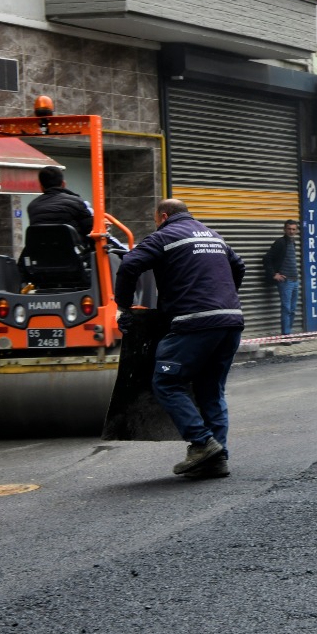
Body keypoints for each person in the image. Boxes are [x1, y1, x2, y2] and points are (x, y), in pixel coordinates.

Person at [114, 198, 246, 481]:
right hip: (231, 321)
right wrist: (223, 296)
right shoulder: (213, 235)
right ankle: (217, 459)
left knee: (167, 381)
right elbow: (239, 265)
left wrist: (124, 307)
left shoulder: (164, 236)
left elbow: (129, 265)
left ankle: (201, 443)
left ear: (162, 216)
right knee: (211, 390)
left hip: (194, 322)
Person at [26, 166, 93, 237]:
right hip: (71, 247)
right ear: (63, 184)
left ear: (41, 187)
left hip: (41, 248)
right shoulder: (77, 202)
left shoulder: (32, 207)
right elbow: (91, 230)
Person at [262, 219, 300, 335]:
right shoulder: (280, 242)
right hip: (286, 281)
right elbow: (267, 259)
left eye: (293, 229)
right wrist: (274, 274)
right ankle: (286, 335)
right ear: (284, 229)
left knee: (293, 310)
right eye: (289, 229)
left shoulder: (293, 243)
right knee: (286, 309)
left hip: (295, 280)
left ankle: (290, 333)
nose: (291, 231)